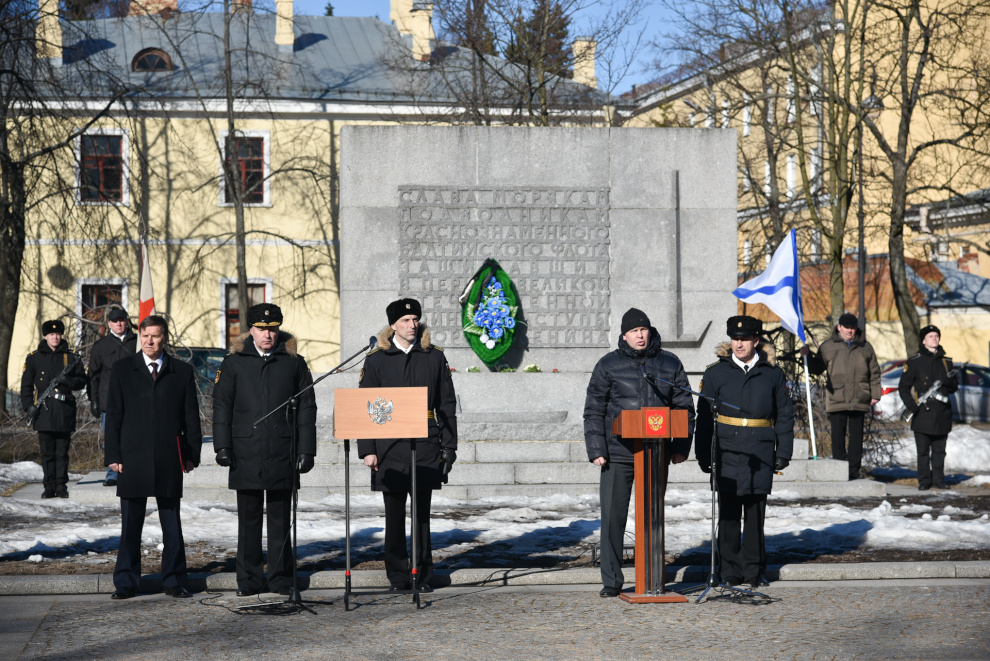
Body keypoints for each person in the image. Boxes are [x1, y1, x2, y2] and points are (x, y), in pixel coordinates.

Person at [583, 308, 695, 598]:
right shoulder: (608, 364)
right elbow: (594, 409)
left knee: (652, 517)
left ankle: (651, 578)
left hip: (656, 454)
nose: (640, 335)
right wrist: (597, 449)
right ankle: (612, 580)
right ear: (624, 336)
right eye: (634, 331)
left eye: (643, 329)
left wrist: (680, 448)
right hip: (617, 454)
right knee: (613, 519)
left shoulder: (669, 363)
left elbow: (684, 408)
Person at [212, 303, 317, 597]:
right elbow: (221, 406)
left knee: (280, 520)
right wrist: (222, 446)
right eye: (261, 329)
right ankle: (249, 579)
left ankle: (281, 579)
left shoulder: (294, 363)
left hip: (283, 449)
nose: (267, 335)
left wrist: (307, 450)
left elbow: (307, 408)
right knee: (249, 520)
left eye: (272, 329)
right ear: (251, 331)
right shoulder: (233, 363)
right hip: (245, 450)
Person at [358, 298, 457, 593]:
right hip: (388, 446)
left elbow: (446, 404)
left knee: (421, 516)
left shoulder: (434, 357)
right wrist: (368, 449)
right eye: (405, 320)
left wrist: (449, 445)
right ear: (393, 325)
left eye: (415, 319)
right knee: (394, 516)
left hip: (425, 443)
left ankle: (422, 575)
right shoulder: (376, 359)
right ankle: (398, 576)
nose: (412, 325)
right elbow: (365, 406)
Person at [104, 315, 203, 599]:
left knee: (171, 524)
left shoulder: (181, 371)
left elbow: (191, 418)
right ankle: (126, 582)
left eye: (155, 336)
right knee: (130, 525)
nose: (149, 341)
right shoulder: (123, 369)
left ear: (164, 338)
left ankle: (174, 580)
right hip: (131, 458)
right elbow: (114, 417)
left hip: (168, 457)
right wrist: (113, 454)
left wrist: (191, 455)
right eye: (145, 335)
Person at [694, 315, 793, 588]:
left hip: (760, 450)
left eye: (745, 339)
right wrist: (703, 453)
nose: (739, 344)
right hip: (726, 450)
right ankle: (729, 571)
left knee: (754, 514)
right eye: (735, 339)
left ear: (756, 341)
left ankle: (753, 571)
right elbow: (704, 418)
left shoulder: (773, 374)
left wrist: (783, 451)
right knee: (727, 515)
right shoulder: (715, 373)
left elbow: (784, 415)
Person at [804, 312, 881, 480]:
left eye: (853, 327)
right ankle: (839, 468)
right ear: (839, 327)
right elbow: (816, 369)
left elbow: (875, 372)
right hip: (837, 397)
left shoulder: (865, 347)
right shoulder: (827, 347)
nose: (850, 331)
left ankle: (854, 470)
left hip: (859, 397)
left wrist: (875, 393)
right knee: (838, 436)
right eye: (847, 327)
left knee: (856, 437)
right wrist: (808, 356)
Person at [20, 319, 88, 499]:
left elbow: (82, 381)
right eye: (51, 334)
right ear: (45, 336)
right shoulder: (34, 358)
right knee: (47, 452)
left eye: (57, 334)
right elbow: (26, 386)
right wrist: (28, 406)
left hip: (64, 410)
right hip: (43, 411)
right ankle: (49, 486)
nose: (55, 337)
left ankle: (61, 485)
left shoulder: (71, 357)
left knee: (62, 452)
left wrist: (68, 381)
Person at [898, 325, 958, 491]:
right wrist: (911, 406)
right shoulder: (915, 361)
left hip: (942, 413)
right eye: (931, 336)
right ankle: (924, 481)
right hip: (922, 413)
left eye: (936, 336)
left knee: (939, 451)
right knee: (923, 451)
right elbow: (903, 387)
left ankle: (938, 480)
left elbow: (954, 388)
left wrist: (949, 382)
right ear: (923, 341)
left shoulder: (946, 362)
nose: (934, 338)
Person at [87, 307, 137, 487]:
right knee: (111, 438)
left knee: (134, 436)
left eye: (122, 320)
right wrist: (93, 399)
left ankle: (132, 470)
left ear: (127, 322)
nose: (119, 324)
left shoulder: (138, 342)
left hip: (134, 399)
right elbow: (93, 376)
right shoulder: (101, 346)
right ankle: (112, 474)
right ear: (109, 324)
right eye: (115, 321)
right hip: (108, 400)